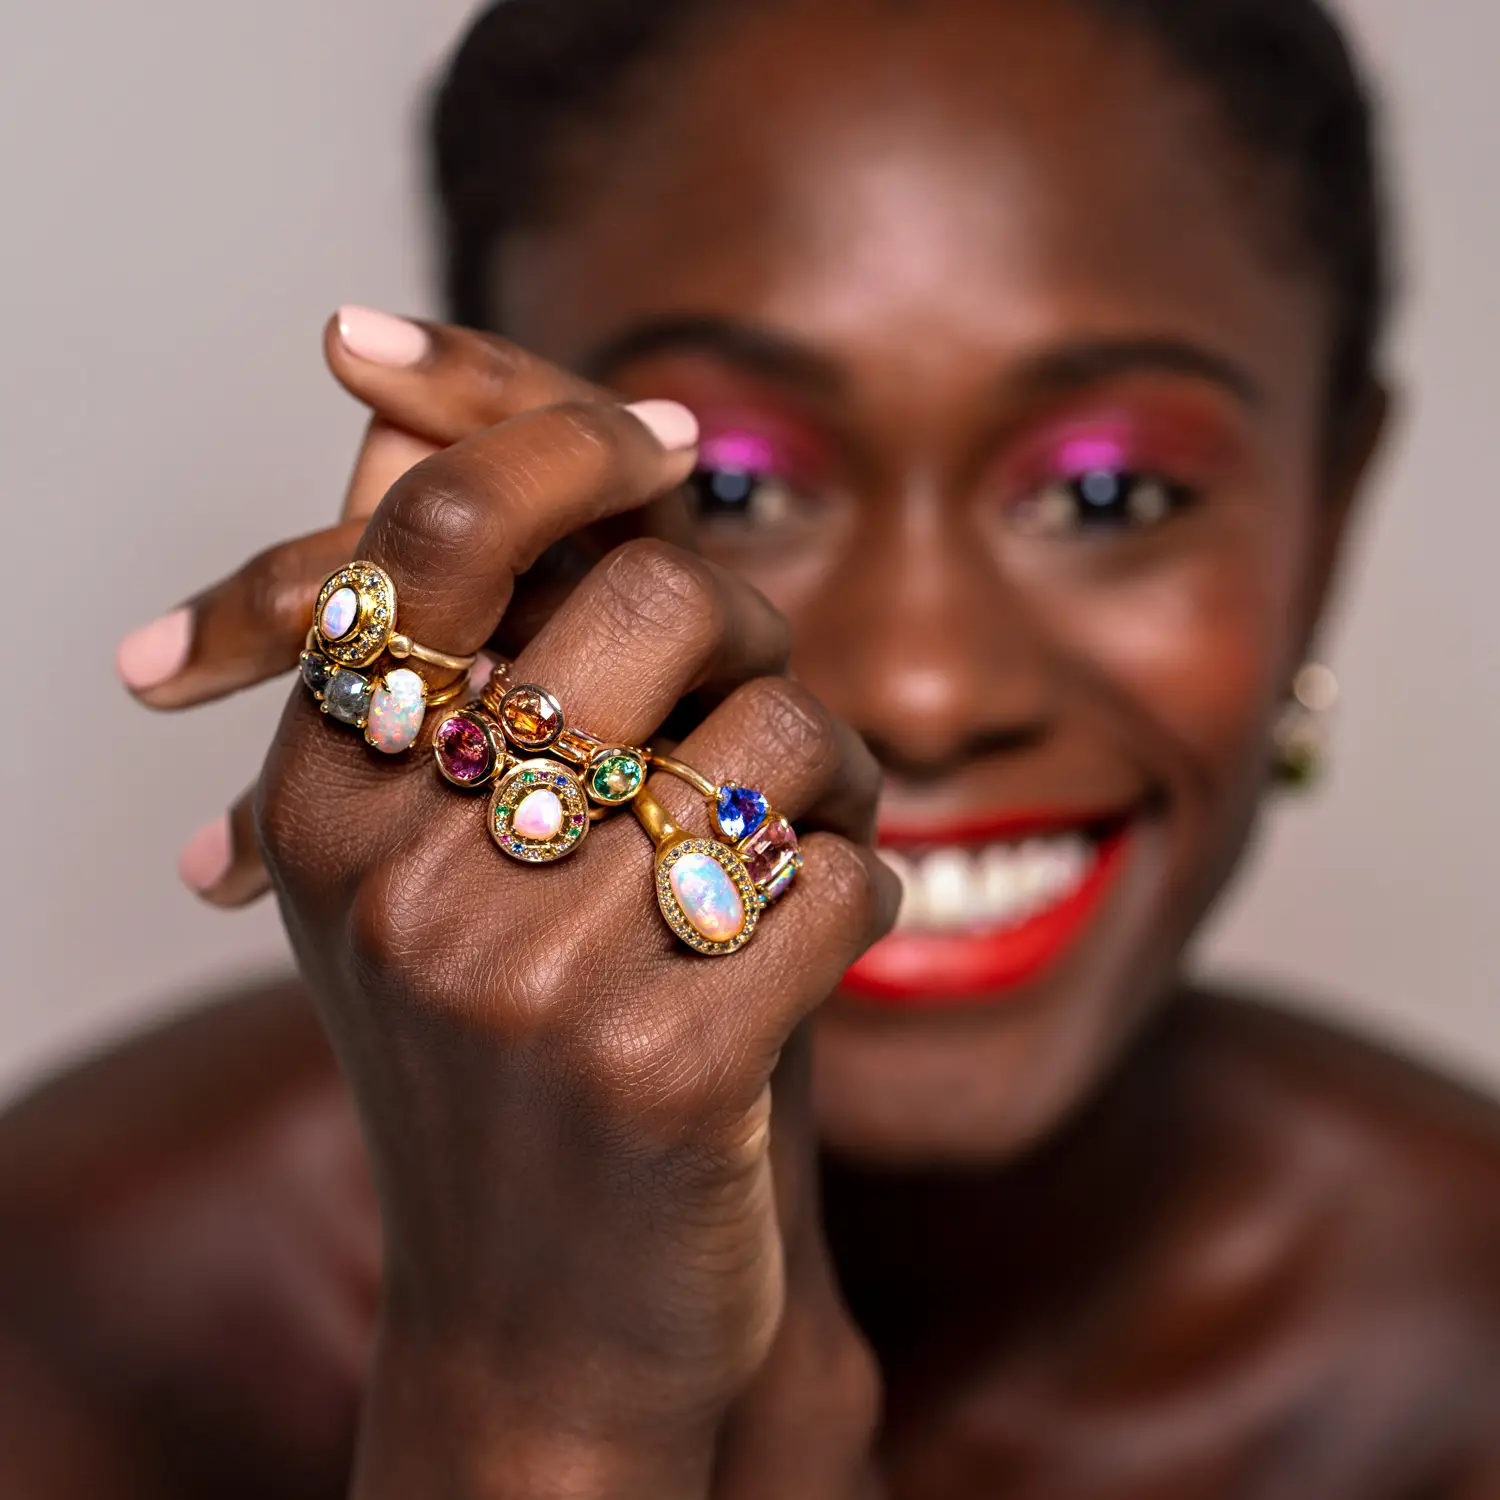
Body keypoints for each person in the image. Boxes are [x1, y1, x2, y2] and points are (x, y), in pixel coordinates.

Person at [8, 0, 1500, 1494]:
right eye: (731, 487)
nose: (923, 686)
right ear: (485, 475)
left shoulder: (1460, 1352)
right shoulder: (77, 1307)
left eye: (1106, 500)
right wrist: (530, 1392)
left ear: (1331, 516)